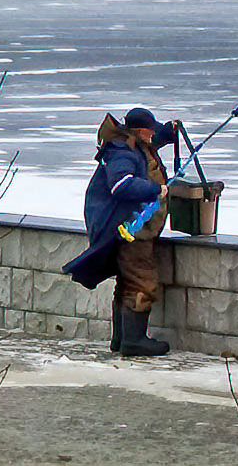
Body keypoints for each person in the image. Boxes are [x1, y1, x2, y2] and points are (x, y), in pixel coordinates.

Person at [62, 107, 176, 356]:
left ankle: (121, 339)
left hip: (130, 228)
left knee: (127, 282)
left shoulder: (130, 144)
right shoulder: (122, 153)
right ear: (139, 130)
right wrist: (155, 190)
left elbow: (148, 145)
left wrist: (167, 134)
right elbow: (122, 185)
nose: (152, 135)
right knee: (141, 282)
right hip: (130, 230)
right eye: (151, 130)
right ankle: (134, 341)